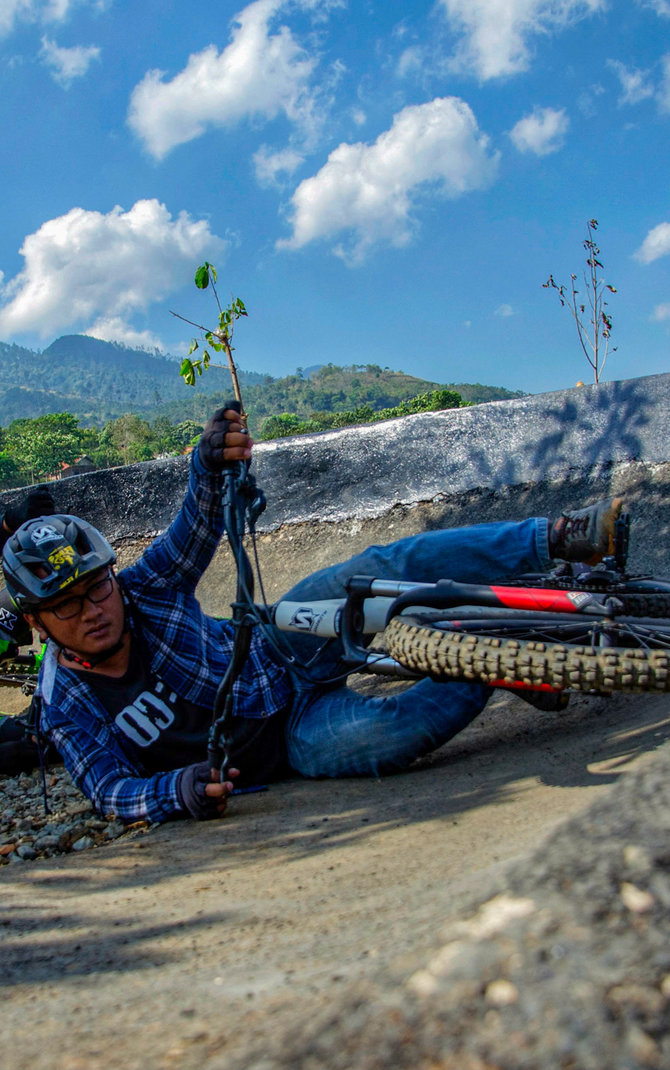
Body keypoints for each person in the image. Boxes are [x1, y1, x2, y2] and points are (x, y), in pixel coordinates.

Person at [1, 405, 624, 824]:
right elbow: (109, 789)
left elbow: (192, 531)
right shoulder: (66, 704)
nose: (93, 611)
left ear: (111, 573)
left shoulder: (143, 588)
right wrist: (177, 790)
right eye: (65, 606)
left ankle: (557, 536)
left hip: (278, 642)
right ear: (37, 622)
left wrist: (208, 461)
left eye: (96, 588)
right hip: (290, 741)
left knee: (385, 563)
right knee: (398, 733)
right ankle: (502, 658)